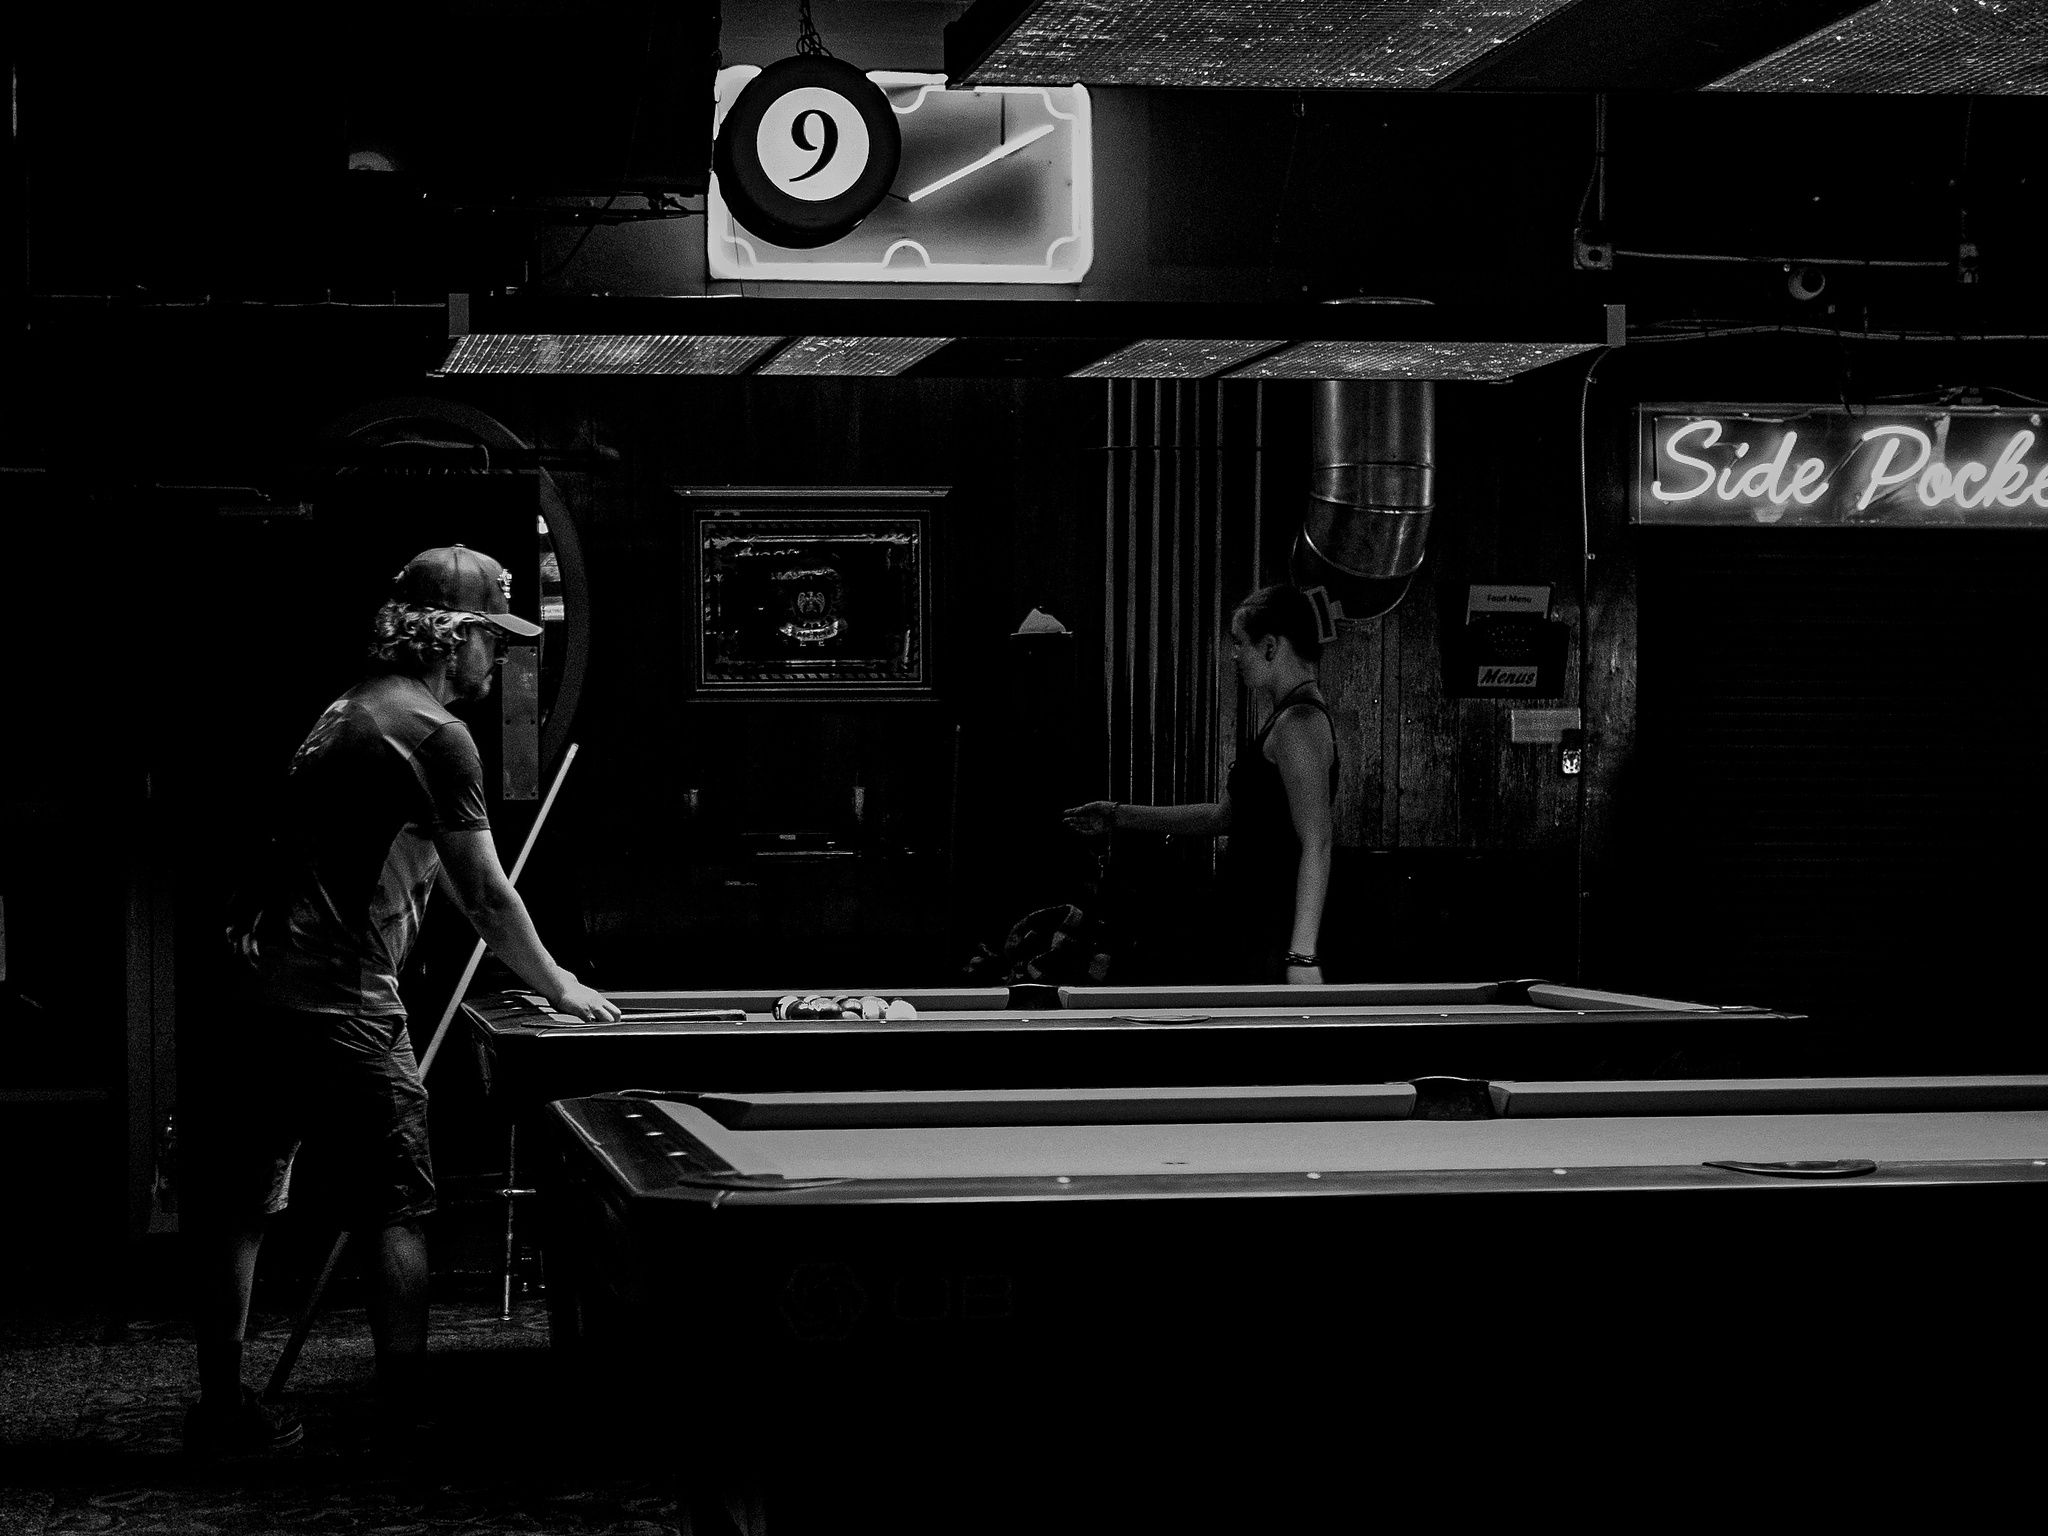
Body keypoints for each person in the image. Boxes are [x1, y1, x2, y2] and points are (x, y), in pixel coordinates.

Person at [182, 545, 620, 1456]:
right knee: (398, 1206)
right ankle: (408, 1411)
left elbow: (424, 874)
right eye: (492, 639)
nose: (499, 659)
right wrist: (561, 986)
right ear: (450, 634)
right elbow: (489, 897)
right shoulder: (433, 733)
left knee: (238, 1205)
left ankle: (223, 1408)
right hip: (340, 1002)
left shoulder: (348, 708)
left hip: (252, 993)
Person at [1065, 584, 1337, 984]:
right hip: (1253, 923)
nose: (1234, 655)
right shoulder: (1287, 719)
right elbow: (1222, 816)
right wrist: (1118, 815)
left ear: (1271, 646)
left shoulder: (1299, 723)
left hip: (1274, 930)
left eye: (1239, 642)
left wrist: (1302, 957)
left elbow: (1318, 842)